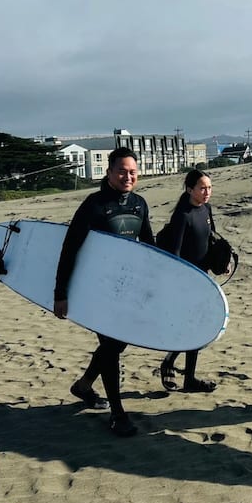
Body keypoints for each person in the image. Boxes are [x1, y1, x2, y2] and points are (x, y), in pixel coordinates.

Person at [54, 148, 154, 437]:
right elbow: (70, 249)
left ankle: (84, 385)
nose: (128, 176)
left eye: (132, 171)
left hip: (127, 288)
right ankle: (118, 414)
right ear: (109, 172)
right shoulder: (94, 205)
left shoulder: (139, 204)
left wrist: (154, 286)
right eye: (122, 171)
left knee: (117, 345)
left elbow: (149, 247)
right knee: (111, 348)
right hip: (98, 290)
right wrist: (61, 293)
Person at [158, 170, 222, 394]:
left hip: (203, 277)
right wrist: (180, 283)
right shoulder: (182, 215)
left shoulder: (206, 208)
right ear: (189, 189)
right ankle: (181, 372)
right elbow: (175, 253)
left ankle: (181, 371)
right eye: (202, 188)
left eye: (209, 188)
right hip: (186, 280)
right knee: (191, 328)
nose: (207, 192)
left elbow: (211, 238)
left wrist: (221, 261)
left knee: (196, 328)